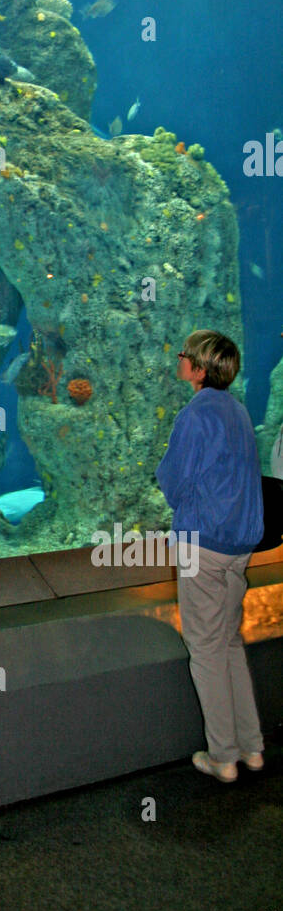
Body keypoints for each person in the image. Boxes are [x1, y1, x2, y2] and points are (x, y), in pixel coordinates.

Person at [156, 331, 264, 781]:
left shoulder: (194, 416)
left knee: (204, 650)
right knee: (230, 644)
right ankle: (252, 747)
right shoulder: (238, 411)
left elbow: (174, 479)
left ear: (199, 369)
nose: (179, 360)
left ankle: (223, 756)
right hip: (239, 545)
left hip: (203, 545)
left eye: (184, 356)